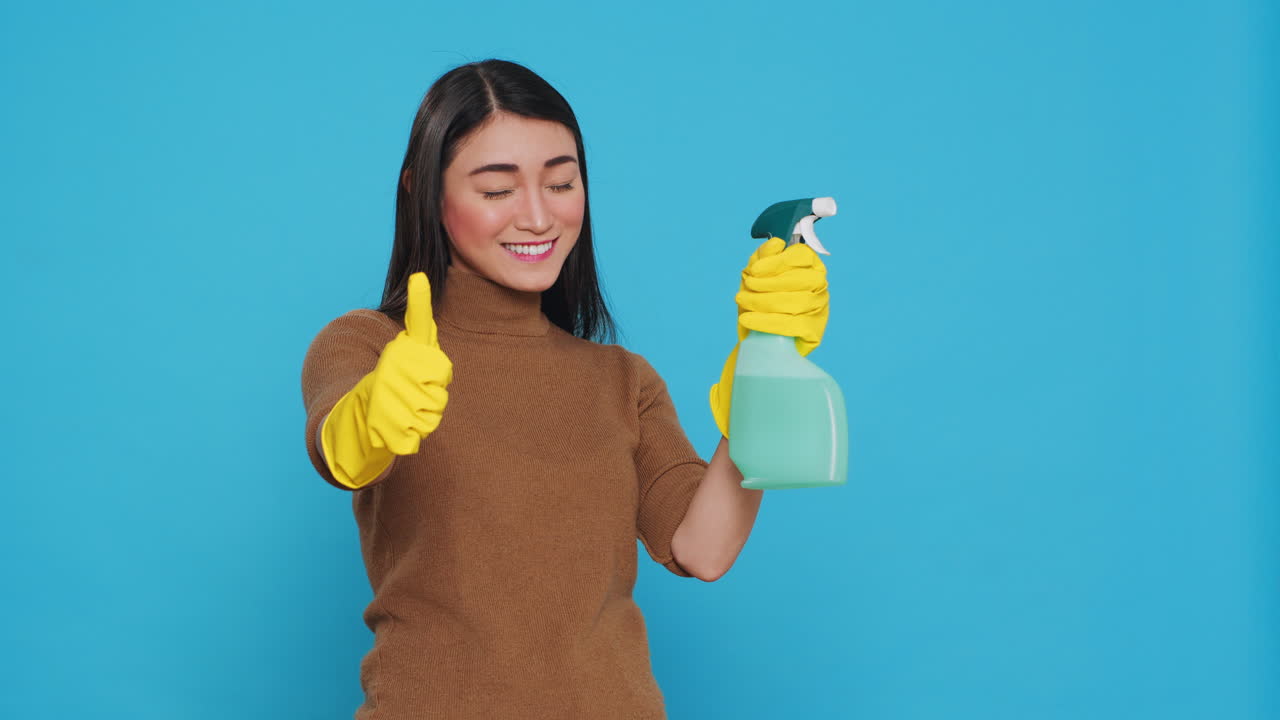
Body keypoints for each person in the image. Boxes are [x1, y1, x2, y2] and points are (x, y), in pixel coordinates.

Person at [300, 58, 830, 719]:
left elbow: (705, 547)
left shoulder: (621, 381)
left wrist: (766, 362)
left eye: (561, 183)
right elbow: (336, 447)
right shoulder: (368, 346)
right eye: (496, 190)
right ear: (423, 194)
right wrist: (373, 417)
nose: (537, 216)